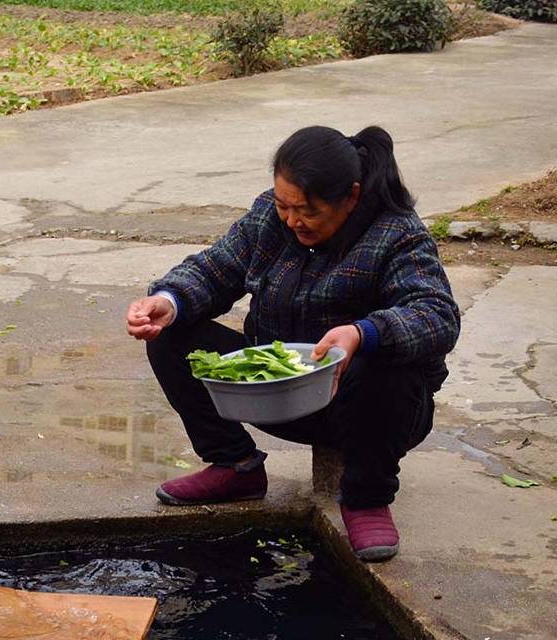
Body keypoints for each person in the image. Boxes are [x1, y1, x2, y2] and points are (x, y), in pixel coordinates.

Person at [126, 125, 460, 562]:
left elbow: (436, 314)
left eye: (306, 211)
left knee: (388, 363)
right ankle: (236, 466)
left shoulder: (396, 234)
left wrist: (364, 333)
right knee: (171, 336)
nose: (290, 220)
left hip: (365, 409)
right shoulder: (271, 216)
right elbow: (217, 266)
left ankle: (366, 496)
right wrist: (168, 300)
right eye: (283, 205)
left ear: (351, 197)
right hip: (275, 397)